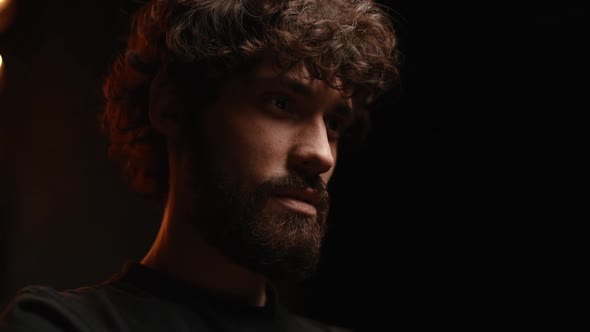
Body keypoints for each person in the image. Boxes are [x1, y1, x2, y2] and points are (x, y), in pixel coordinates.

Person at [0, 0, 399, 331]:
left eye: (334, 123)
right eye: (281, 103)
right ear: (171, 107)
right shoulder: (60, 326)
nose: (322, 154)